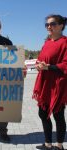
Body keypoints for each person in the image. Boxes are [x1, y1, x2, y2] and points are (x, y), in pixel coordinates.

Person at [32, 14, 67, 150]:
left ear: (61, 26)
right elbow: (40, 59)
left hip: (58, 84)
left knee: (58, 115)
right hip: (45, 83)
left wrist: (48, 67)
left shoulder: (65, 42)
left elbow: (65, 64)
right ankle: (48, 143)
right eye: (47, 24)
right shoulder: (46, 43)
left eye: (52, 24)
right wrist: (38, 64)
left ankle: (59, 146)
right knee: (43, 113)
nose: (49, 27)